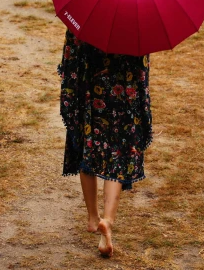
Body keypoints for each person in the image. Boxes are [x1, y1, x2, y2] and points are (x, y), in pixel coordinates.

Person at [58, 30, 153, 257]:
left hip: (90, 95)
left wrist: (70, 97)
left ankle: (93, 217)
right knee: (118, 158)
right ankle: (108, 220)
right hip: (124, 98)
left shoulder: (84, 16)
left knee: (86, 152)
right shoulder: (138, 21)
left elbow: (70, 60)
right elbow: (141, 72)